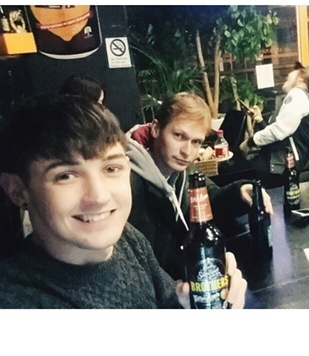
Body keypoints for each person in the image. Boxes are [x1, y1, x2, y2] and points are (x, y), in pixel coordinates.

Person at [0, 94, 247, 308]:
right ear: (17, 190)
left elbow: (168, 301)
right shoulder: (16, 299)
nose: (99, 197)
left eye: (111, 169)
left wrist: (195, 304)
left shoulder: (128, 240)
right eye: (66, 175)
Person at [126, 92, 273, 280]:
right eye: (179, 136)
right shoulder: (128, 184)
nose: (187, 151)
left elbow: (210, 199)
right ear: (155, 129)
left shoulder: (184, 171)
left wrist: (241, 191)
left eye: (196, 142)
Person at [237, 62, 309, 188]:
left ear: (301, 78)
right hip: (278, 162)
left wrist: (250, 142)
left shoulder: (297, 95)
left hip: (282, 167)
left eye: (295, 71)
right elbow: (282, 134)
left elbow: (281, 130)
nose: (289, 74)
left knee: (235, 176)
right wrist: (260, 121)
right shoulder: (300, 96)